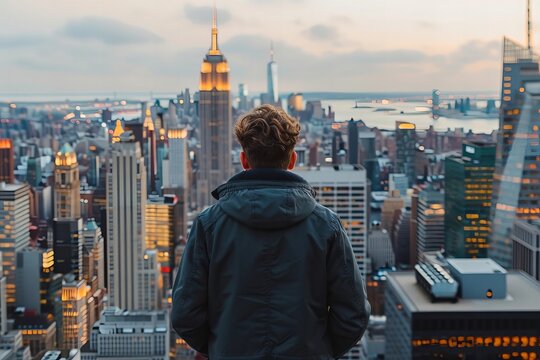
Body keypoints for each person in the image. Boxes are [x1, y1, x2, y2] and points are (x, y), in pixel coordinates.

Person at [172, 104, 370, 359]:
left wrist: (218, 347)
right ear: (292, 160)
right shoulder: (326, 225)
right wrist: (318, 350)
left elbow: (185, 313)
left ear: (244, 160)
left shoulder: (209, 224)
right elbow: (354, 314)